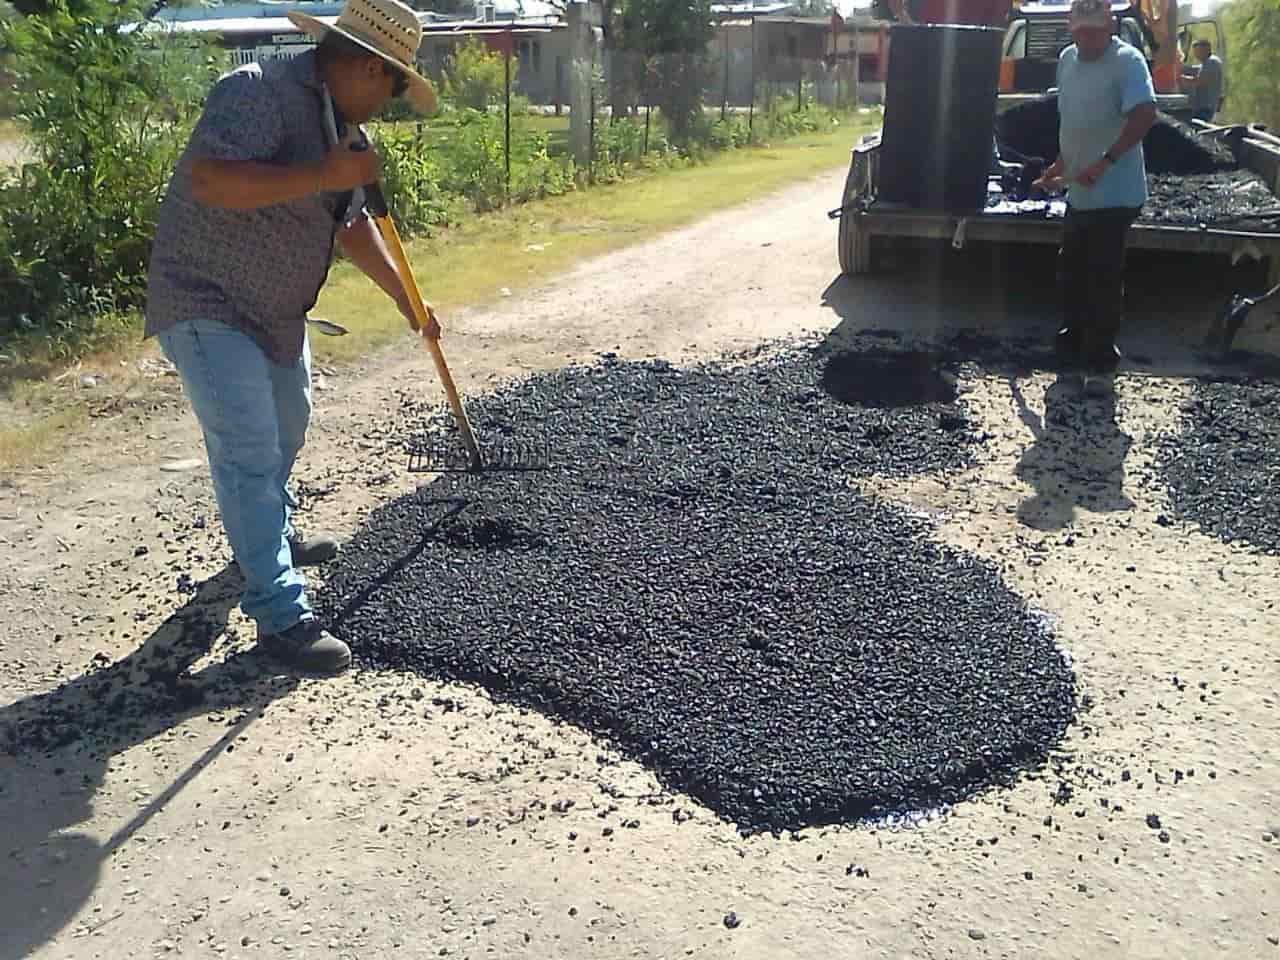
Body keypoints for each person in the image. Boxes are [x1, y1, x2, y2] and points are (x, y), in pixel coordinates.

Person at [143, 0, 440, 674]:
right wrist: (324, 176)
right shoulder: (254, 92)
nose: (387, 104)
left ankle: (267, 535)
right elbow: (211, 180)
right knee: (248, 448)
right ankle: (281, 616)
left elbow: (351, 222)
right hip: (206, 298)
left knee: (288, 425)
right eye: (392, 89)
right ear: (368, 68)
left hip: (278, 312)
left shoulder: (342, 127)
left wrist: (407, 300)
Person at [1033, 0, 1157, 390]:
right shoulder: (1068, 60)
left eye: (1095, 31)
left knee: (1101, 275)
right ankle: (1072, 347)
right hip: (1078, 191)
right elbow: (1075, 120)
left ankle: (1101, 362)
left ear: (1110, 26)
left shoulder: (1128, 62)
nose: (1087, 39)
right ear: (1071, 27)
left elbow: (1144, 114)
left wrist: (1106, 162)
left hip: (1116, 191)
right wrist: (1059, 164)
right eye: (1081, 31)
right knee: (1070, 270)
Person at [1180, 38, 1224, 123]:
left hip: (1206, 107)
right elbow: (1192, 69)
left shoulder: (1212, 62)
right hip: (1202, 107)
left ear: (1205, 49)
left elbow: (1200, 81)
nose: (1196, 54)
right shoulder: (1205, 63)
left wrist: (1182, 78)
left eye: (1198, 51)